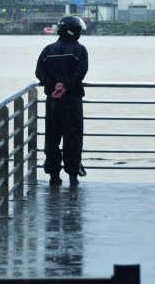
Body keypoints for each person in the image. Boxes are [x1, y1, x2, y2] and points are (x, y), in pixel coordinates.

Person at [35, 15, 89, 186]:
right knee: (73, 137)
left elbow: (39, 72)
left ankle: (53, 175)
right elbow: (80, 73)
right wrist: (65, 86)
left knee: (52, 137)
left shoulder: (47, 50)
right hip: (72, 101)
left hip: (52, 101)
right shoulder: (79, 50)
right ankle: (73, 174)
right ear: (75, 31)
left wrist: (54, 85)